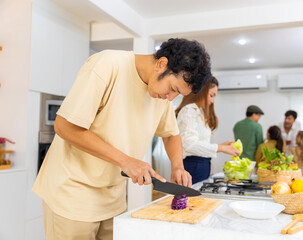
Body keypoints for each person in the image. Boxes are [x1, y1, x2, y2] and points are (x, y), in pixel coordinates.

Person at [32, 38, 212, 239]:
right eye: (173, 89)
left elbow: (171, 134)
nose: (170, 98)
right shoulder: (107, 65)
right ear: (162, 64)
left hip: (113, 195)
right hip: (73, 190)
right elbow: (65, 126)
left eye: (177, 94)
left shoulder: (161, 96)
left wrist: (177, 165)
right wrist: (126, 161)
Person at [175, 77, 240, 184]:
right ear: (201, 92)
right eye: (211, 95)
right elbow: (189, 145)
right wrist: (221, 148)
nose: (212, 101)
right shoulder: (188, 111)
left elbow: (199, 143)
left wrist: (221, 145)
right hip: (193, 165)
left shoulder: (199, 112)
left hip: (202, 164)